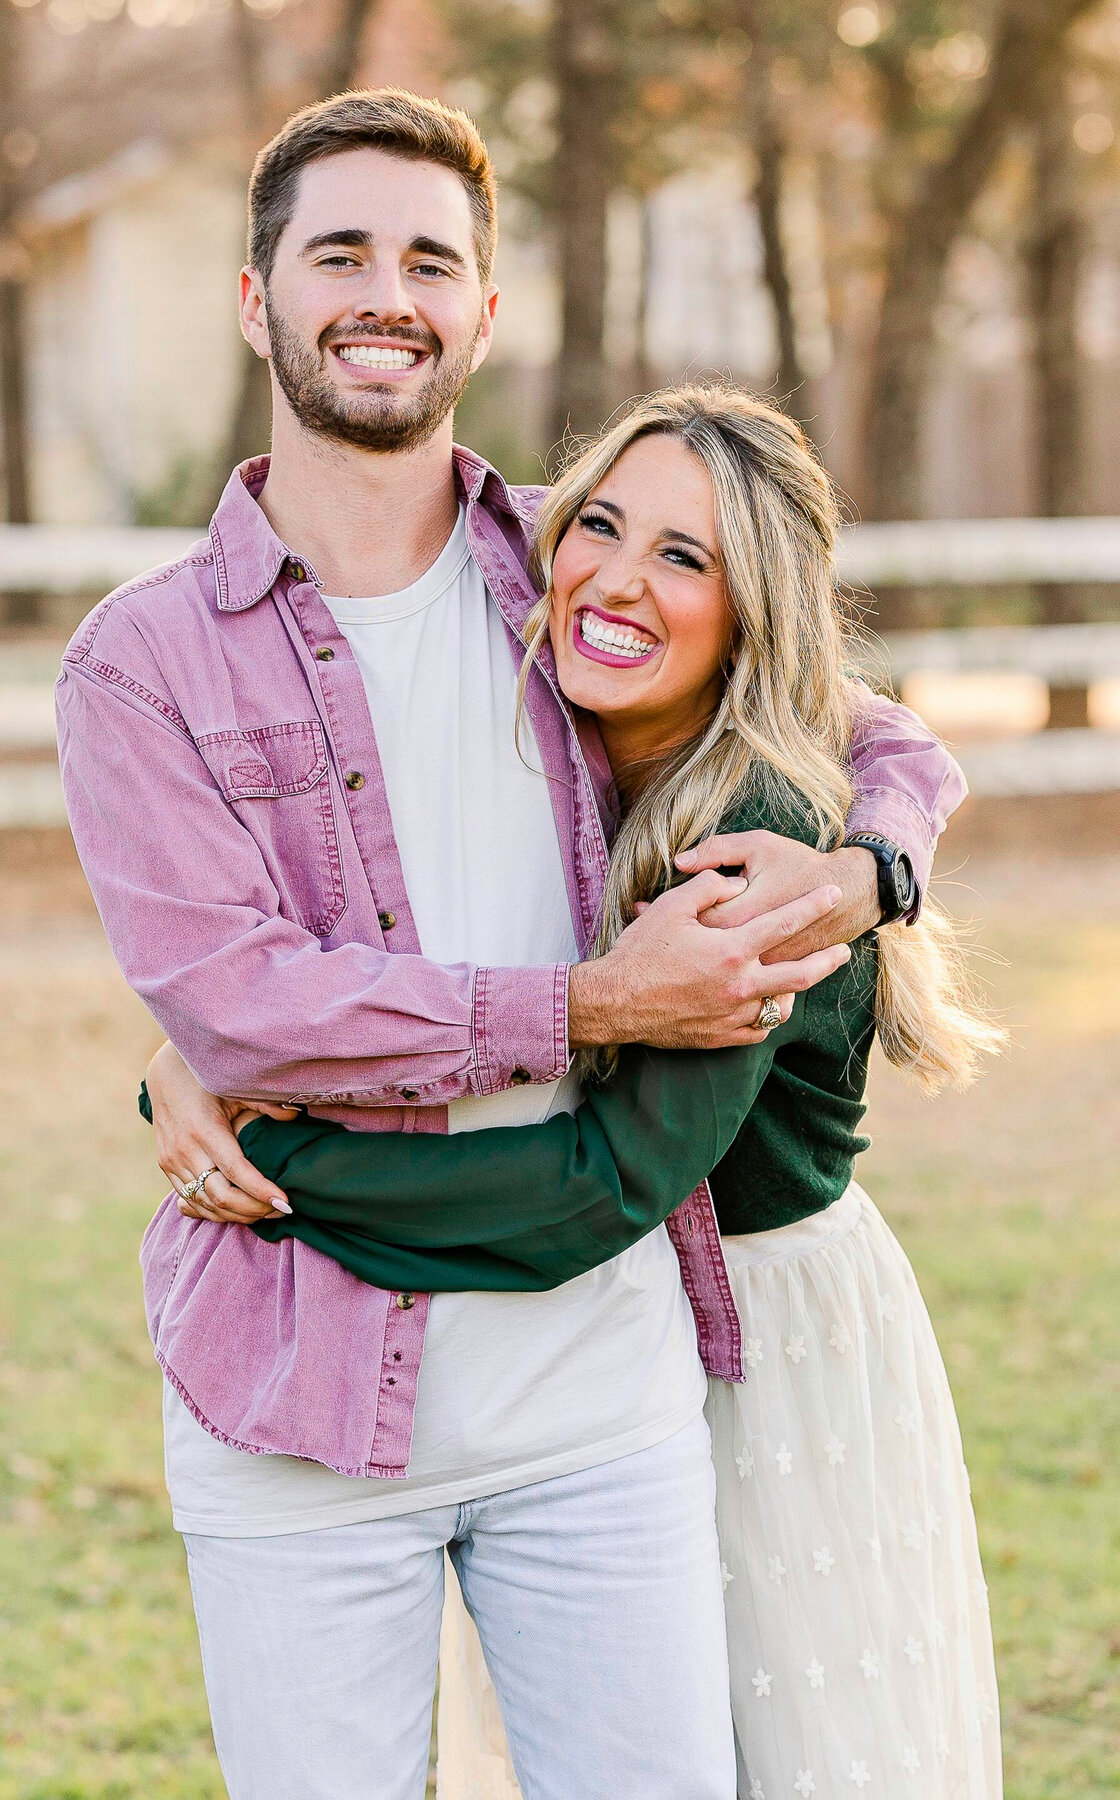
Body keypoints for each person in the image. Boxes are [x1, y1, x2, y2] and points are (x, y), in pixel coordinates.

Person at [57, 87, 967, 1800]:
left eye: (430, 259)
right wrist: (576, 1002)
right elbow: (241, 997)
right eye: (339, 253)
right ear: (257, 300)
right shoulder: (143, 665)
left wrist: (865, 881)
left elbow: (884, 741)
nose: (384, 293)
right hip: (300, 1409)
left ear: (485, 309)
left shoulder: (571, 571)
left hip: (603, 1413)